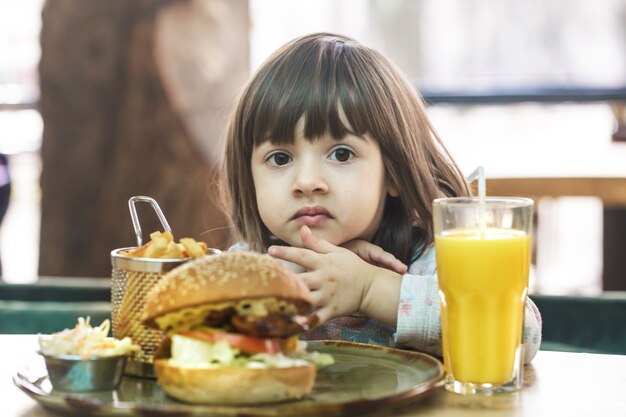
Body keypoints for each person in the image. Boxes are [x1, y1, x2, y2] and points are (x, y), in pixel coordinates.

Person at [220, 33, 541, 362]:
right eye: (280, 158)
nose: (306, 182)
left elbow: (520, 334)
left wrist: (372, 289)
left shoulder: (428, 263)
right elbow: (174, 339)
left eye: (342, 154)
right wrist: (273, 285)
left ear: (392, 172)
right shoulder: (242, 269)